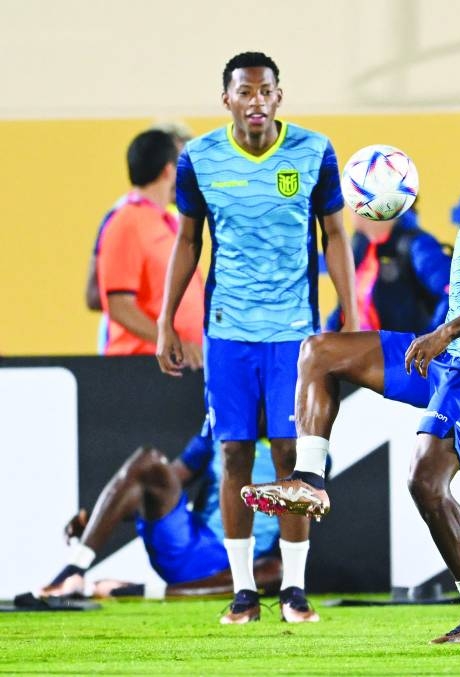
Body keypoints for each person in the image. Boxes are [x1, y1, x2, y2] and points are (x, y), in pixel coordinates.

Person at [241, 67, 460, 644]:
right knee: (319, 352)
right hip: (452, 352)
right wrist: (444, 337)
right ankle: (309, 480)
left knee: (424, 480)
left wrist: (445, 332)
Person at [156, 51, 359, 624]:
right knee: (233, 455)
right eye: (244, 92)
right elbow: (188, 241)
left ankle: (293, 589)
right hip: (228, 333)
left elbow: (335, 233)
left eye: (265, 91)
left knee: (292, 455)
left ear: (278, 96)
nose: (256, 101)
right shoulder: (199, 158)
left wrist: (350, 308)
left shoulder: (313, 151)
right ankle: (244, 591)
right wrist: (167, 319)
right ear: (226, 99)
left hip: (294, 334)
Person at [40, 419, 281, 606]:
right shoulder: (219, 428)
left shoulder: (290, 448)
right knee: (149, 462)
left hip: (235, 569)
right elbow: (150, 487)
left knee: (276, 571)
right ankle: (72, 571)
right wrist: (94, 519)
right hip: (186, 545)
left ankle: (139, 592)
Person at [95, 129, 204, 363]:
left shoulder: (163, 221)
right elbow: (119, 305)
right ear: (169, 170)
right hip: (142, 365)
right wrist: (172, 341)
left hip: (177, 363)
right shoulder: (128, 222)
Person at [325, 204, 451, 335]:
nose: (348, 207)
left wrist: (430, 339)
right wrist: (329, 331)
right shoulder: (360, 242)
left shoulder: (417, 244)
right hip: (360, 344)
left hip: (401, 346)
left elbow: (453, 294)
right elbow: (347, 302)